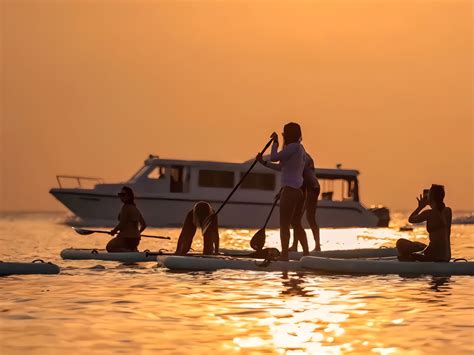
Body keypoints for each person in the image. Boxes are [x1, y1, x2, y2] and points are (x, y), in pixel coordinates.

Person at [257, 122, 309, 261]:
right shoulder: (300, 149)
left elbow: (274, 157)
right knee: (296, 224)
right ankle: (306, 254)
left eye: (284, 133)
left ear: (288, 135)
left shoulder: (292, 147)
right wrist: (263, 163)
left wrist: (275, 142)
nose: (283, 135)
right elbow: (281, 167)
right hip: (298, 192)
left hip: (290, 192)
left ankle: (285, 256)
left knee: (284, 225)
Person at [396, 184, 452, 262]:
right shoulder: (448, 211)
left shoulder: (428, 213)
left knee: (400, 243)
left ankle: (409, 261)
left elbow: (411, 219)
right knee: (418, 244)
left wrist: (420, 207)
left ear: (431, 197)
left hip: (434, 256)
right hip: (446, 256)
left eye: (428, 194)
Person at [290, 152, 321, 252]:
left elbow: (301, 176)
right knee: (297, 218)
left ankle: (317, 247)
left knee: (304, 218)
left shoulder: (300, 155)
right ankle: (295, 246)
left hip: (311, 188)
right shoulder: (300, 153)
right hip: (309, 187)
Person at [107, 186, 147, 252]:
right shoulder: (135, 208)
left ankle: (129, 251)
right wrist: (137, 233)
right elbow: (144, 225)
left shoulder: (125, 208)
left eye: (123, 195)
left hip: (125, 239)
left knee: (109, 247)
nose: (121, 197)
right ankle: (132, 250)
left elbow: (122, 223)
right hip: (136, 241)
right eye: (120, 194)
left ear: (129, 196)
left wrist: (114, 231)